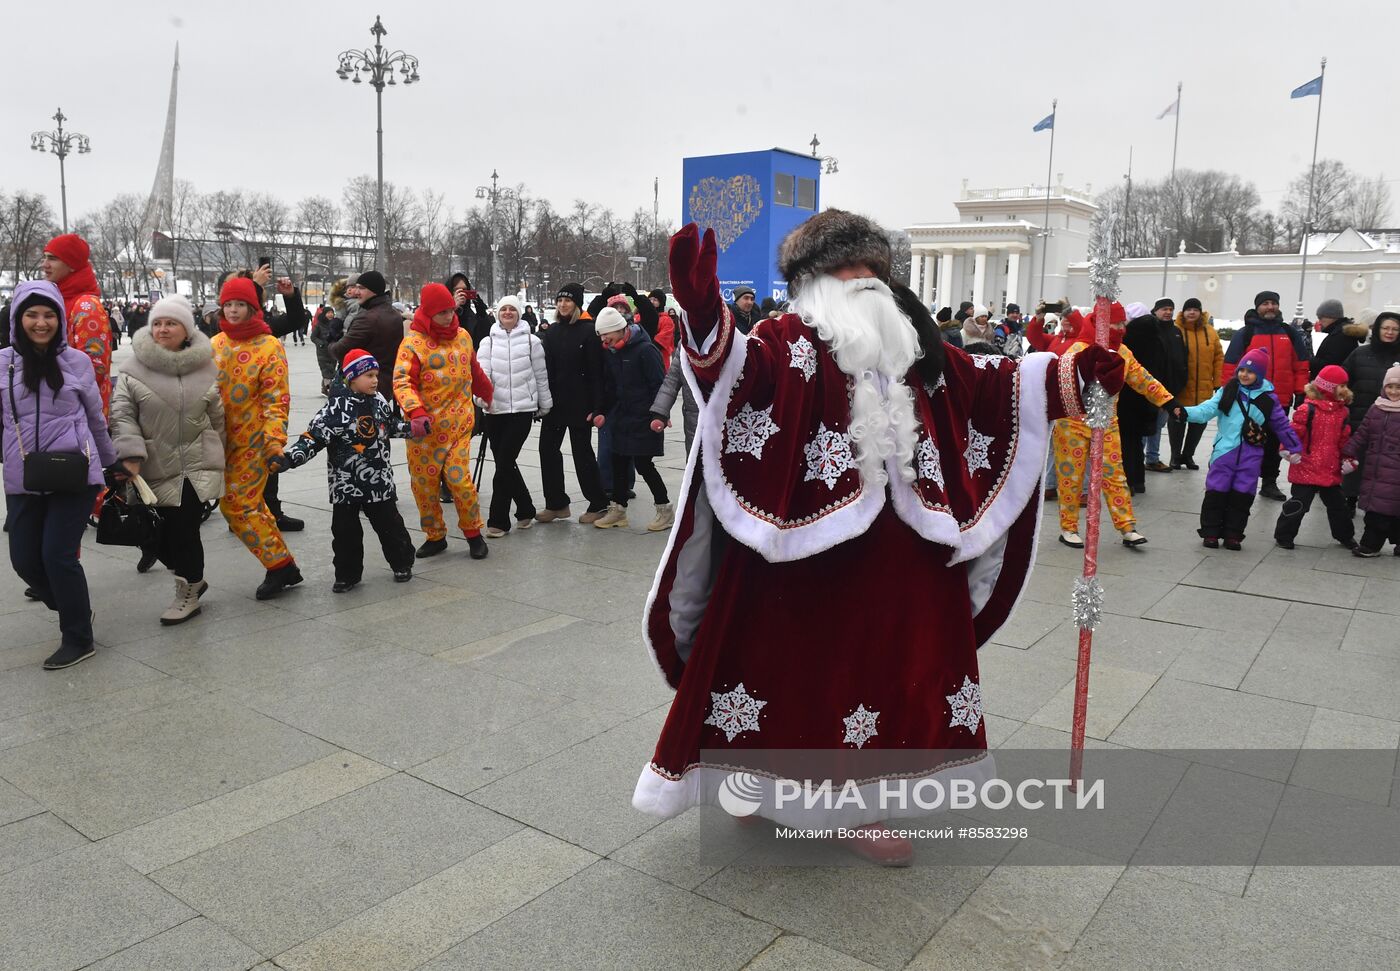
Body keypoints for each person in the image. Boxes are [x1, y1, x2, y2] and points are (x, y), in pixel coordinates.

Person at [633, 215, 1123, 863]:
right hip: (804, 553)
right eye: (846, 268)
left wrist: (1072, 376)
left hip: (909, 550)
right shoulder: (786, 338)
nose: (862, 279)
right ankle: (754, 778)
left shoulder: (916, 344)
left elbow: (988, 384)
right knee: (775, 669)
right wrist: (701, 313)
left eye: (871, 267)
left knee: (886, 675)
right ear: (811, 281)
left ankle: (861, 802)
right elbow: (735, 370)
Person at [2, 280, 117, 669]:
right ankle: (76, 608)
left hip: (73, 471)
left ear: (60, 318)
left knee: (58, 556)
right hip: (24, 475)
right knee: (24, 560)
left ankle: (78, 637)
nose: (40, 322)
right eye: (31, 314)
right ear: (18, 319)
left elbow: (95, 417)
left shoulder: (77, 361)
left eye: (49, 314)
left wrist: (111, 462)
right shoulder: (3, 362)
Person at [109, 296, 225, 624]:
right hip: (151, 464)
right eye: (157, 323)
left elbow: (217, 419)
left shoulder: (206, 369)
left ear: (185, 330)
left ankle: (187, 591)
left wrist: (218, 457)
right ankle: (194, 580)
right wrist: (130, 453)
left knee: (185, 531)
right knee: (155, 536)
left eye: (171, 323)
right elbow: (122, 413)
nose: (162, 329)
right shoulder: (133, 370)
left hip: (194, 465)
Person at [270, 350, 417, 591]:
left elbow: (389, 426)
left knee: (391, 526)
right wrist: (290, 458)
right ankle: (347, 575)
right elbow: (313, 438)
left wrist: (412, 428)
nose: (374, 380)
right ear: (351, 378)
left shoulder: (379, 399)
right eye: (368, 375)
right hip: (345, 484)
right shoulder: (336, 409)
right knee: (345, 533)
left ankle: (402, 562)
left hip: (378, 481)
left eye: (376, 375)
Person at [1052, 303, 1172, 548]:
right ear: (1103, 325)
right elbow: (1062, 384)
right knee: (1070, 477)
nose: (1122, 328)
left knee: (1115, 475)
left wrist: (1168, 401)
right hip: (1072, 424)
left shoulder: (1123, 352)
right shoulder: (1078, 349)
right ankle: (1069, 527)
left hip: (1107, 423)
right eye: (1117, 324)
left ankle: (1127, 527)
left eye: (1122, 323)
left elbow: (1142, 378)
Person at [211, 276, 302, 599]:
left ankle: (278, 567)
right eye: (228, 305)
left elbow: (276, 398)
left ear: (253, 308)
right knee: (249, 506)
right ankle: (284, 564)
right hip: (221, 441)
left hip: (255, 441)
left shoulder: (269, 345)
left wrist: (275, 441)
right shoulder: (216, 343)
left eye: (240, 305)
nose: (233, 311)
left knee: (237, 505)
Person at [394, 283, 491, 560]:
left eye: (451, 310)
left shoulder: (463, 336)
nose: (449, 316)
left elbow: (473, 368)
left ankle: (473, 533)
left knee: (460, 482)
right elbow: (402, 381)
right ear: (428, 312)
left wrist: (487, 393)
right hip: (424, 431)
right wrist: (416, 412)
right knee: (424, 486)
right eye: (442, 312)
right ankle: (435, 536)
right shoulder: (412, 343)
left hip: (459, 425)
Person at [1180, 348, 1301, 550]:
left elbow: (1281, 425)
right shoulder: (1228, 391)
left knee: (1242, 496)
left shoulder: (1268, 398)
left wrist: (1294, 447)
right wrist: (1183, 412)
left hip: (1251, 456)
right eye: (1242, 370)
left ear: (1260, 375)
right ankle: (1210, 532)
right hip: (1223, 454)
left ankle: (1233, 535)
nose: (1244, 374)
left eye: (1250, 371)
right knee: (1215, 494)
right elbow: (1206, 410)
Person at [1222, 291, 1310, 500]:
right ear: (1257, 307)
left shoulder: (1289, 333)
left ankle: (1269, 482)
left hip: (1279, 399)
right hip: (1249, 399)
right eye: (1265, 304)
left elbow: (1301, 366)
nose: (1270, 307)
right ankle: (1238, 478)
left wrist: (1300, 391)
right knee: (1244, 438)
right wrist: (1228, 392)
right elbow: (1230, 365)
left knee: (1273, 443)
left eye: (1273, 303)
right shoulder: (1246, 333)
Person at [590, 308, 672, 531]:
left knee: (644, 464)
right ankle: (618, 509)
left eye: (608, 334)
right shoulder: (611, 352)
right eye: (601, 336)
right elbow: (610, 387)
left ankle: (665, 509)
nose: (604, 339)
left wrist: (660, 414)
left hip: (645, 417)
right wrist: (601, 411)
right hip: (622, 416)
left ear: (622, 329)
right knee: (618, 460)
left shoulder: (646, 350)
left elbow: (660, 385)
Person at [477, 296, 553, 537]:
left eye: (512, 309)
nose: (508, 313)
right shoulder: (487, 342)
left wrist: (544, 403)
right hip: (495, 411)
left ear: (519, 314)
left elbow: (540, 375)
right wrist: (481, 398)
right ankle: (525, 508)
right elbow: (481, 375)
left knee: (504, 463)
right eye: (504, 309)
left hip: (522, 410)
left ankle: (498, 521)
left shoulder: (532, 342)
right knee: (504, 462)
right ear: (497, 314)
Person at [537, 282, 609, 524]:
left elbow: (596, 372)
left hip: (581, 404)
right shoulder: (553, 331)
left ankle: (598, 503)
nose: (563, 304)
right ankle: (556, 503)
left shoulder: (588, 331)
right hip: (555, 404)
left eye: (567, 300)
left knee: (582, 454)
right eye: (559, 300)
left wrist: (598, 406)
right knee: (547, 451)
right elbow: (545, 369)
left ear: (577, 303)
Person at [1273, 365, 1356, 551]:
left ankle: (1346, 536)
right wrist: (1287, 449)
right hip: (1306, 466)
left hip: (1330, 468)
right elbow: (1293, 433)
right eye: (1340, 385)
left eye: (1345, 385)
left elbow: (1344, 440)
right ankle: (1284, 535)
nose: (1344, 389)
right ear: (1327, 387)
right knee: (1298, 504)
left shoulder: (1342, 413)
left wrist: (1348, 458)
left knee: (1339, 507)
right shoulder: (1307, 409)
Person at [41, 234, 113, 417]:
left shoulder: (86, 306)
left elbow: (94, 368)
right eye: (45, 257)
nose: (45, 264)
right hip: (56, 413)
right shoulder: (57, 301)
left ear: (72, 264)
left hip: (79, 418)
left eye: (53, 258)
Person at [1121, 299, 1187, 484]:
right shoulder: (1158, 334)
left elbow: (1134, 372)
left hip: (1130, 397)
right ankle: (1138, 480)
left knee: (1129, 442)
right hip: (1153, 392)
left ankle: (1130, 481)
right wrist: (1167, 396)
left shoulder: (1129, 339)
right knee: (1140, 437)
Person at [1342, 365, 1400, 556]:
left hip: (1395, 471)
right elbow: (1362, 433)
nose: (1393, 391)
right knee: (1382, 508)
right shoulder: (1376, 408)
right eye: (1390, 386)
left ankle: (1370, 545)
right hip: (1374, 469)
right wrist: (1348, 450)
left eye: (1398, 387)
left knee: (1380, 511)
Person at [329, 271, 404, 406]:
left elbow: (340, 351)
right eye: (356, 287)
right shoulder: (394, 314)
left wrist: (332, 341)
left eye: (362, 288)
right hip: (384, 386)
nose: (357, 292)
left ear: (374, 290)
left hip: (363, 387)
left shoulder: (368, 318)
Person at [1169, 298, 1223, 469]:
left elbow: (1218, 358)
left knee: (1199, 423)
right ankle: (1175, 456)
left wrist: (1218, 382)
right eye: (1188, 309)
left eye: (1195, 309)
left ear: (1200, 312)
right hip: (1182, 386)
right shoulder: (1175, 330)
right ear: (1183, 312)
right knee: (1177, 420)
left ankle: (1188, 455)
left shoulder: (1211, 332)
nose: (1192, 312)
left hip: (1204, 387)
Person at [1310, 299, 1368, 378]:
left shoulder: (1340, 336)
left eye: (1321, 318)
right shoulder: (1340, 332)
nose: (1319, 322)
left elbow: (1330, 365)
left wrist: (1309, 360)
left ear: (1331, 317)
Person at [446, 272, 492, 348]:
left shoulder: (470, 315)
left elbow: (484, 338)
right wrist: (452, 308)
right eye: (456, 290)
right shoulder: (442, 314)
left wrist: (481, 313)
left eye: (464, 290)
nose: (461, 293)